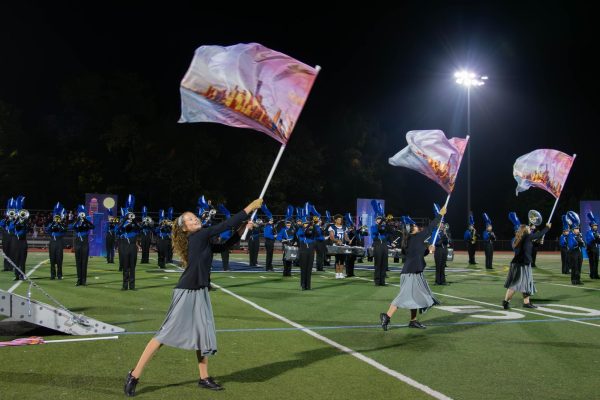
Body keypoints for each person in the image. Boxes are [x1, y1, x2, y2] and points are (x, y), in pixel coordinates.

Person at [124, 198, 262, 396]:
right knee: (163, 335)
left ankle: (204, 378)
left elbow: (222, 248)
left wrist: (241, 230)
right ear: (185, 228)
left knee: (202, 334)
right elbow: (225, 225)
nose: (195, 219)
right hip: (187, 291)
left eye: (194, 217)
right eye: (189, 219)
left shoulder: (202, 239)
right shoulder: (198, 236)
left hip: (200, 291)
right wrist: (249, 208)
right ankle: (134, 375)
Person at [379, 206, 446, 331]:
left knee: (415, 297)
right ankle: (386, 316)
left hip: (414, 272)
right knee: (403, 297)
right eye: (414, 225)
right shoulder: (418, 237)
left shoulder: (408, 240)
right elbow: (431, 228)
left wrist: (427, 250)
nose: (417, 226)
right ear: (411, 229)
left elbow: (417, 254)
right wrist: (440, 215)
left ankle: (413, 321)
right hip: (410, 273)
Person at [503, 212, 550, 309]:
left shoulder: (519, 238)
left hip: (519, 263)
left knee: (526, 283)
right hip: (521, 264)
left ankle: (526, 302)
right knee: (515, 285)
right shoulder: (527, 237)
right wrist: (547, 227)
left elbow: (530, 245)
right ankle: (505, 302)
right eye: (528, 228)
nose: (530, 229)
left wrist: (537, 241)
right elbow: (539, 234)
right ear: (524, 231)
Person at [117, 195, 140, 290]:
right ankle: (125, 285)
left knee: (132, 267)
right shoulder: (123, 223)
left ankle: (132, 286)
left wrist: (134, 220)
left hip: (133, 247)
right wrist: (125, 219)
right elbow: (118, 229)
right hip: (125, 246)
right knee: (125, 267)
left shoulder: (135, 225)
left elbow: (139, 228)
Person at [70, 205, 95, 286]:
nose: (81, 216)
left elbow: (93, 226)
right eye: (80, 214)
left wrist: (86, 220)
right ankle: (79, 280)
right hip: (78, 245)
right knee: (78, 263)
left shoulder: (86, 224)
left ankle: (84, 281)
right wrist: (78, 220)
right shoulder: (76, 224)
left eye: (83, 214)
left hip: (85, 245)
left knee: (84, 263)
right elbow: (72, 226)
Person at [45, 202, 66, 280]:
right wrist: (53, 222)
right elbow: (47, 230)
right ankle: (52, 275)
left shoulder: (62, 225)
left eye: (58, 218)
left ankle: (59, 275)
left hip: (59, 242)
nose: (57, 219)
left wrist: (59, 223)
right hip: (52, 243)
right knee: (52, 259)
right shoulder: (52, 224)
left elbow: (64, 230)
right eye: (56, 218)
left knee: (59, 259)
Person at [328, 214, 348, 279]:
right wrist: (337, 241)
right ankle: (337, 273)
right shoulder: (332, 227)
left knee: (342, 260)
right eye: (338, 219)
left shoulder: (344, 227)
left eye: (340, 219)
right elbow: (331, 237)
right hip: (336, 245)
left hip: (343, 245)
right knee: (337, 259)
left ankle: (341, 273)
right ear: (335, 220)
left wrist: (349, 240)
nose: (340, 220)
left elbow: (345, 236)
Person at [584, 212, 600, 279]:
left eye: (596, 226)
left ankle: (596, 274)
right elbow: (589, 241)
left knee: (596, 262)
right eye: (594, 226)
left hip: (596, 249)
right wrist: (596, 238)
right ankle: (592, 274)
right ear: (591, 226)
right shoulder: (589, 232)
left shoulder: (597, 232)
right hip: (591, 249)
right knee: (592, 262)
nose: (596, 227)